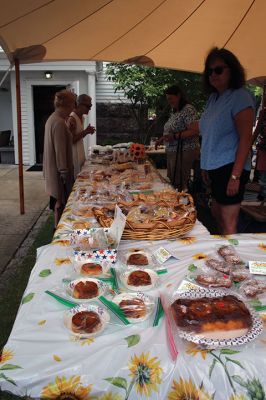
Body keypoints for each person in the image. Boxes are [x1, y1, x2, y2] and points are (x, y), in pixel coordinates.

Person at [190, 47, 255, 234]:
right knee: (216, 212)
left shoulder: (240, 96)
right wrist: (204, 165)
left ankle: (233, 260)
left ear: (232, 70)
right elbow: (208, 132)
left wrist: (235, 176)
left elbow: (245, 139)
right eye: (209, 71)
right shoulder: (213, 98)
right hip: (214, 168)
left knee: (228, 222)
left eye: (218, 69)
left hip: (230, 168)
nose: (213, 74)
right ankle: (225, 253)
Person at [43, 90, 76, 229]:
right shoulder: (58, 123)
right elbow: (60, 150)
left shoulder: (53, 119)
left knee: (58, 203)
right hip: (58, 172)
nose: (73, 108)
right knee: (59, 204)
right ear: (68, 105)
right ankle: (58, 232)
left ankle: (57, 228)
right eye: (73, 104)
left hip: (53, 169)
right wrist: (64, 172)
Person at [155, 85, 199, 190]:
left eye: (171, 98)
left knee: (180, 182)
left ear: (178, 95)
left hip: (185, 150)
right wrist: (162, 139)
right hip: (173, 150)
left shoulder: (188, 109)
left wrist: (174, 136)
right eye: (167, 99)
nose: (169, 101)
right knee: (174, 179)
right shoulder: (175, 111)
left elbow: (194, 130)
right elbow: (171, 130)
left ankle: (183, 202)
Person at [66, 94, 96, 178]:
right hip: (73, 155)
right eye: (88, 106)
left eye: (90, 106)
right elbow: (71, 140)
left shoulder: (82, 117)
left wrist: (86, 131)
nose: (90, 108)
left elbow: (78, 136)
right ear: (79, 104)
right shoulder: (72, 118)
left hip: (80, 152)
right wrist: (85, 131)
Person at [254, 108, 266, 200]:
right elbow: (257, 129)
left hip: (263, 147)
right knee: (262, 176)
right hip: (264, 148)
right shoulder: (264, 112)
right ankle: (262, 194)